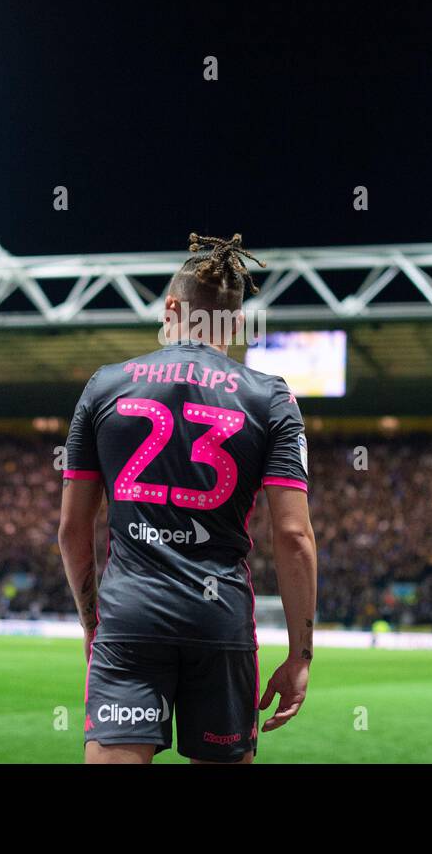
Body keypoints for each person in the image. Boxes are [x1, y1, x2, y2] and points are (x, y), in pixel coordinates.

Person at [58, 232, 317, 764]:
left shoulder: (104, 386)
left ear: (171, 308)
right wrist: (300, 654)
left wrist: (93, 624)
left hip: (129, 618)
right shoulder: (272, 397)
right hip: (219, 618)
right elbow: (293, 536)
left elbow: (70, 530)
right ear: (236, 323)